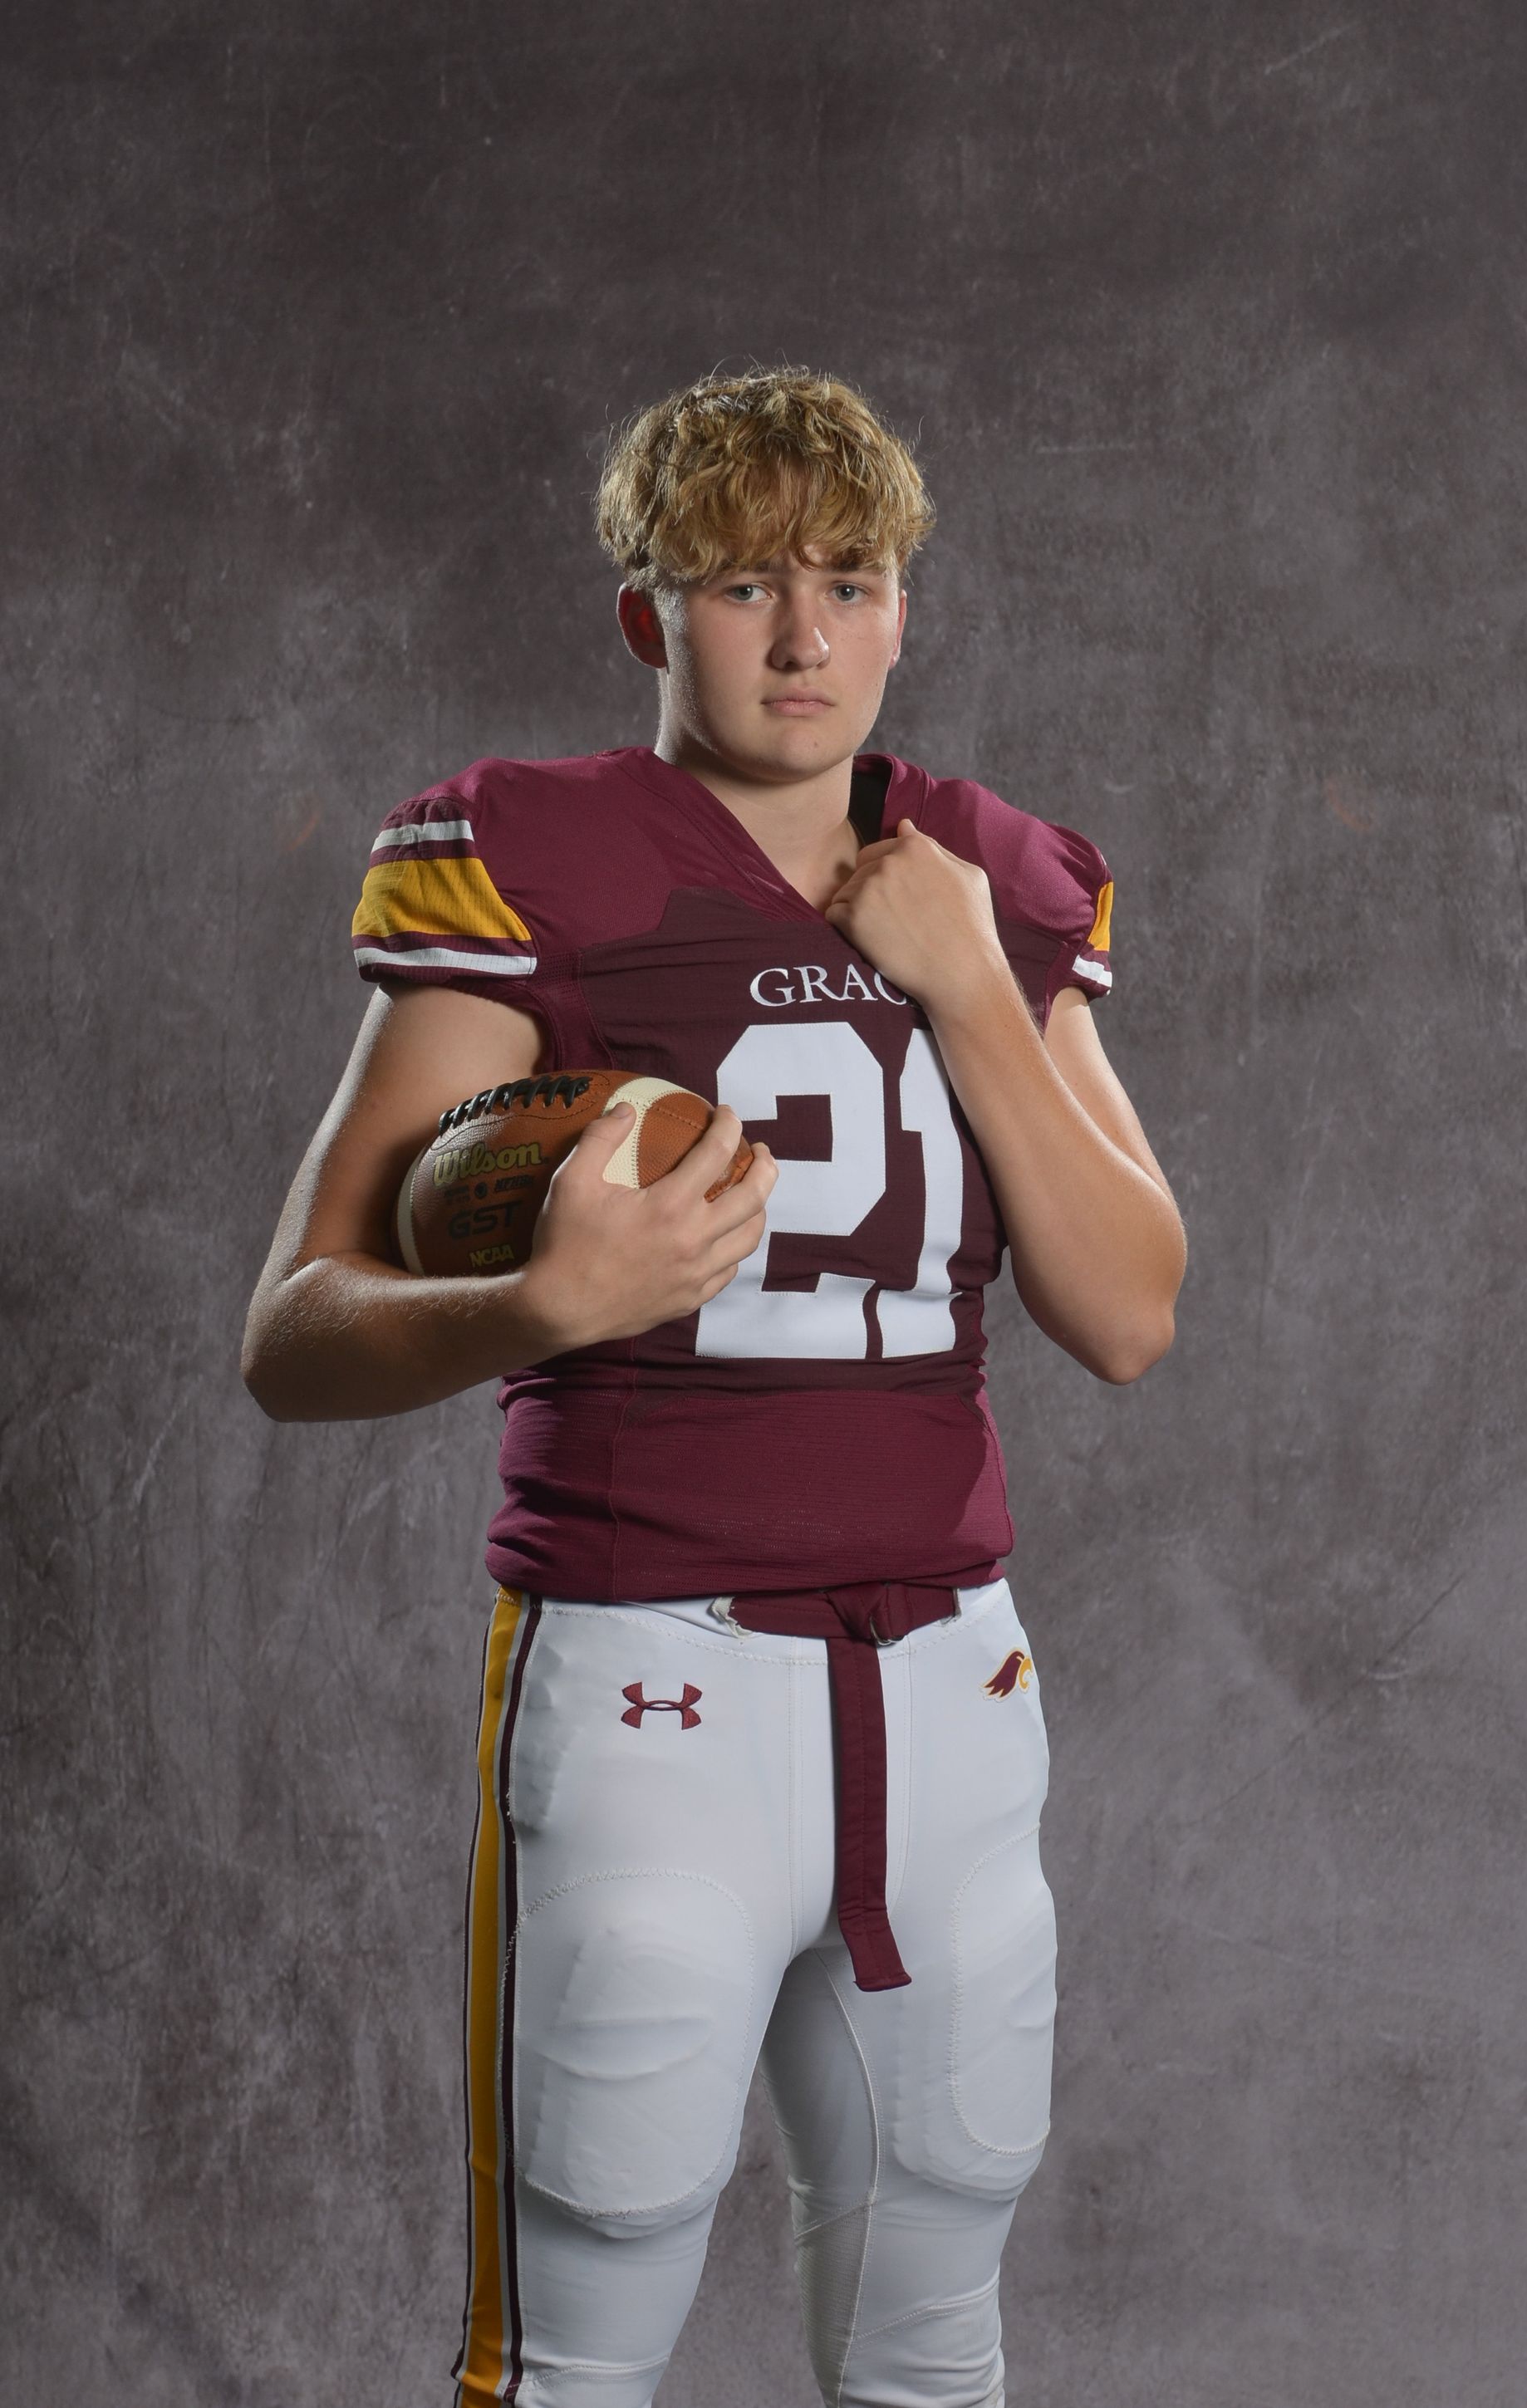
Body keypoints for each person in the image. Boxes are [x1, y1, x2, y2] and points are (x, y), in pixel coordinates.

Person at [242, 365, 1185, 2408]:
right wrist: (536, 1303)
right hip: (648, 1674)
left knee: (939, 2338)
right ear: (646, 618)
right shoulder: (528, 856)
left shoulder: (998, 882)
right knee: (580, 2329)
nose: (803, 631)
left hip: (955, 1692)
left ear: (904, 608)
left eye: (847, 579)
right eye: (742, 583)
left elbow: (1127, 1313)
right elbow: (292, 1330)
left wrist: (959, 984)